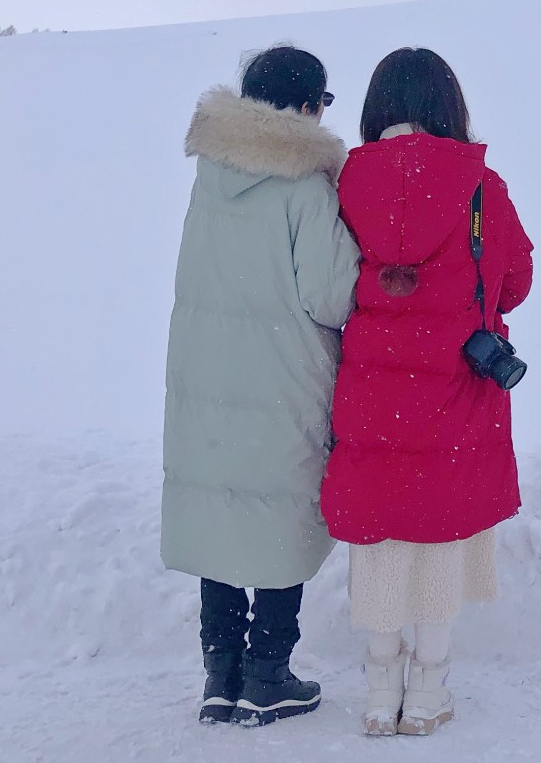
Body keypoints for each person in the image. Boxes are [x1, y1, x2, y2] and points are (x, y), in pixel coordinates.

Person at [320, 47, 535, 737]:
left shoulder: (343, 182)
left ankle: (381, 693)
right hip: (452, 391)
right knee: (439, 529)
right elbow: (515, 284)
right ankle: (429, 692)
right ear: (450, 106)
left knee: (381, 535)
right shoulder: (482, 187)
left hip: (373, 392)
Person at [161, 45, 360, 726]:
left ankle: (220, 674)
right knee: (279, 515)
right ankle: (268, 674)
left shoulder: (210, 175)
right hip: (281, 375)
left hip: (207, 371)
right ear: (306, 107)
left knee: (221, 510)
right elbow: (331, 296)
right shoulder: (306, 187)